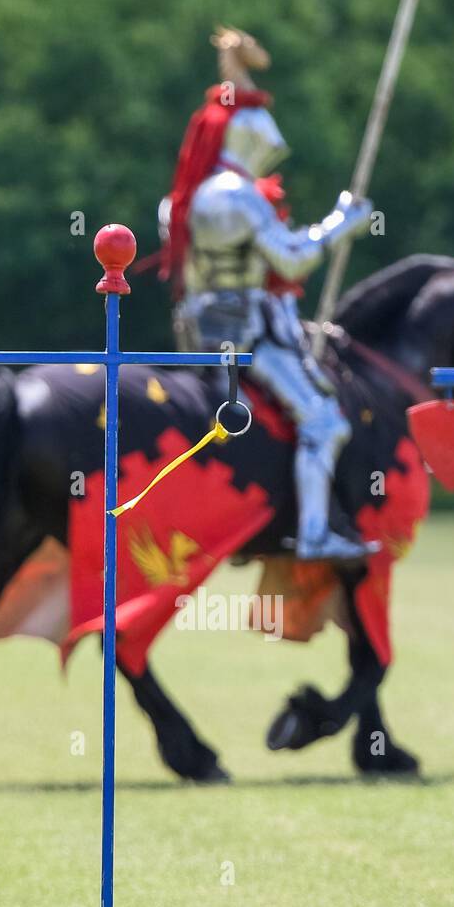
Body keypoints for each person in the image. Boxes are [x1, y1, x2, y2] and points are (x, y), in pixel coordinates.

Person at [162, 28, 373, 561]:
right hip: (244, 332)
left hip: (206, 321)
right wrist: (341, 223)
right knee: (324, 421)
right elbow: (293, 258)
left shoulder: (195, 193)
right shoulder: (234, 194)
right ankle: (314, 532)